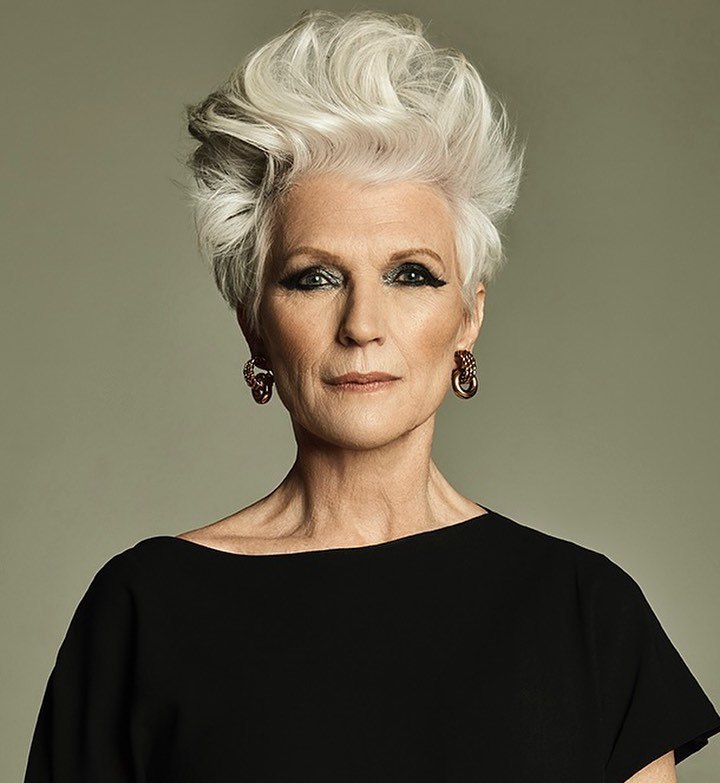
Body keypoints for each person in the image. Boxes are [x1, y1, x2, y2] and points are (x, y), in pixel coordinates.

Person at [23, 9, 720, 783]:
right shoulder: (144, 612)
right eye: (314, 278)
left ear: (469, 316)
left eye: (411, 274)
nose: (362, 324)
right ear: (255, 324)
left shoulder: (586, 615)